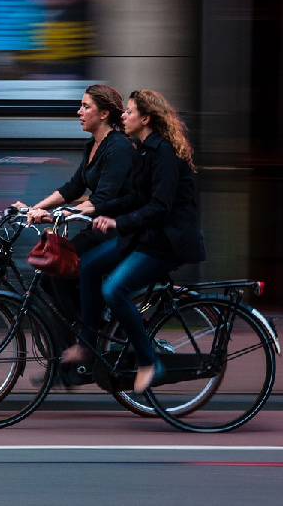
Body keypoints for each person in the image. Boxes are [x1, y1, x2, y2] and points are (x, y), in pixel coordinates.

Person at [63, 89, 206, 394]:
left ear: (146, 118)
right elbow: (136, 197)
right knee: (87, 265)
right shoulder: (143, 149)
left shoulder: (163, 152)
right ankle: (87, 344)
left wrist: (117, 222)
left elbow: (159, 207)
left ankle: (149, 362)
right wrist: (97, 208)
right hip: (145, 236)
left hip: (167, 242)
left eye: (129, 112)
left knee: (114, 290)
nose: (123, 116)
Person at [12, 84, 134, 345]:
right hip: (97, 229)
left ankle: (87, 338)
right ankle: (78, 339)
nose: (79, 111)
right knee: (51, 275)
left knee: (60, 269)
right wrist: (37, 208)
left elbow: (103, 199)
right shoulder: (93, 145)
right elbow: (73, 187)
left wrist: (59, 215)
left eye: (85, 106)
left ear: (103, 114)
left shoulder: (118, 147)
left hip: (119, 230)